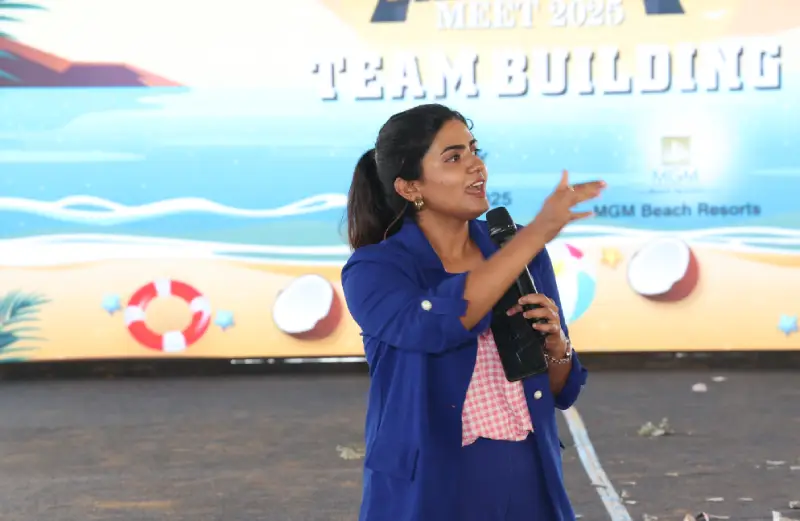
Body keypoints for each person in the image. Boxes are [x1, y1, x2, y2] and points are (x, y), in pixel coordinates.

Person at [341, 103, 606, 521]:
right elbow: (437, 326)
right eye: (453, 157)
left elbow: (561, 390)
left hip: (529, 475)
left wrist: (557, 347)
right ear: (410, 187)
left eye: (474, 150)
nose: (476, 165)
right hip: (430, 485)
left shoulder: (516, 248)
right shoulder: (375, 268)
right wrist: (537, 233)